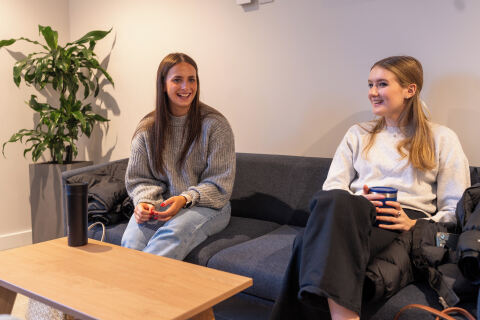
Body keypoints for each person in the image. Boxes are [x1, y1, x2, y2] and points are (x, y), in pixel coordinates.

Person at [270, 56, 470, 320]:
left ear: (410, 89)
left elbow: (455, 209)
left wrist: (414, 224)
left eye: (382, 84)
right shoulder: (358, 134)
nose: (372, 93)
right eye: (370, 84)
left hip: (402, 221)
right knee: (335, 203)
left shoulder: (441, 138)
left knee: (305, 242)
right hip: (353, 212)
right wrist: (357, 202)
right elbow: (333, 188)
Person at [121, 53, 235, 260]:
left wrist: (185, 199)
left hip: (209, 206)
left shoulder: (215, 125)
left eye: (192, 79)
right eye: (177, 80)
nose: (186, 87)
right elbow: (138, 179)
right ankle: (135, 290)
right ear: (163, 85)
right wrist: (143, 202)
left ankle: (134, 291)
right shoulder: (147, 128)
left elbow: (220, 184)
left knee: (170, 235)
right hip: (161, 203)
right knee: (131, 242)